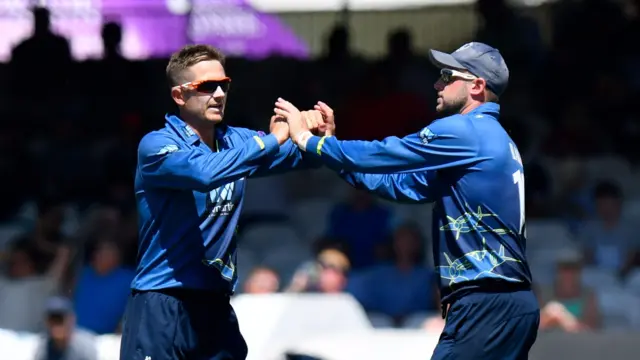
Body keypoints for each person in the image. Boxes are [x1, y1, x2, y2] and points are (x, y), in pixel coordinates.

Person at [274, 42, 539, 359]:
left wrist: (308, 141)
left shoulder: (464, 130)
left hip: (485, 304)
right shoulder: (491, 138)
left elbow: (384, 154)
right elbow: (401, 187)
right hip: (507, 303)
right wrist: (332, 149)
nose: (437, 84)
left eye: (446, 75)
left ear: (478, 86)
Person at [119, 44, 333, 360]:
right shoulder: (156, 146)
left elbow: (300, 159)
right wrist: (272, 139)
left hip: (215, 305)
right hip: (162, 302)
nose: (219, 94)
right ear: (179, 96)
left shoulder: (237, 140)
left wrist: (319, 140)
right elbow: (205, 172)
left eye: (224, 84)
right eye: (206, 86)